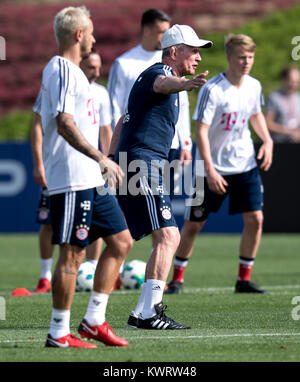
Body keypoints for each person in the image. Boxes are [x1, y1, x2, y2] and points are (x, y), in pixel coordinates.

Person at [38, 6, 132, 348]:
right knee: (73, 255)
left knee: (122, 241)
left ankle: (93, 321)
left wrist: (100, 162)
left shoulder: (76, 72)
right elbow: (64, 123)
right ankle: (59, 333)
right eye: (90, 32)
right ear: (79, 35)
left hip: (91, 178)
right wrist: (100, 157)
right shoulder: (61, 68)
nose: (94, 38)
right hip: (73, 179)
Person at [109, 24, 212, 329]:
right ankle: (148, 312)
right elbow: (163, 84)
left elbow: (122, 119)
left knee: (126, 238)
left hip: (136, 162)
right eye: (192, 50)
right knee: (169, 235)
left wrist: (112, 160)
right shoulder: (158, 74)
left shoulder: (152, 76)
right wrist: (184, 85)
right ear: (174, 51)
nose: (198, 57)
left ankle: (142, 312)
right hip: (143, 163)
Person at [165, 34, 273, 295]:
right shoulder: (212, 89)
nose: (246, 62)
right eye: (241, 57)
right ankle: (177, 279)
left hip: (244, 164)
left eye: (250, 57)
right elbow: (200, 130)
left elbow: (255, 114)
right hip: (210, 169)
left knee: (255, 219)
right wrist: (210, 170)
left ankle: (243, 279)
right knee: (193, 224)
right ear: (229, 58)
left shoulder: (254, 86)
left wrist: (267, 140)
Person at [31, 50, 114, 293]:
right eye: (91, 67)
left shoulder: (101, 93)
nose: (97, 73)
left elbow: (105, 130)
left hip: (91, 169)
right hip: (63, 168)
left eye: (99, 67)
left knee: (102, 228)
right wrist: (38, 163)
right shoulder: (62, 82)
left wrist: (108, 161)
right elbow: (38, 125)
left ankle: (90, 270)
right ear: (80, 65)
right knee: (48, 223)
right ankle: (45, 276)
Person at [107, 9, 193, 180]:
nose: (165, 38)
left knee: (163, 202)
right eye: (161, 32)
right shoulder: (124, 63)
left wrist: (186, 143)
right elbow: (115, 109)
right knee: (136, 200)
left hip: (171, 145)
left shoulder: (173, 62)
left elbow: (182, 104)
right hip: (137, 147)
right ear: (146, 30)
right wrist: (114, 150)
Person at [265, 65, 300, 143]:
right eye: (292, 81)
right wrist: (288, 131)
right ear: (284, 80)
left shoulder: (298, 98)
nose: (294, 85)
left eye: (297, 82)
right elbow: (268, 124)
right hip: (279, 143)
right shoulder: (274, 98)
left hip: (295, 143)